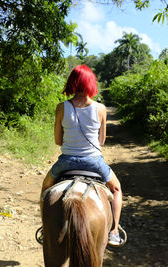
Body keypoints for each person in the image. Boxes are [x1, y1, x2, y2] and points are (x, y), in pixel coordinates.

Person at [40, 65, 123, 247]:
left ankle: (45, 229)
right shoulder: (101, 109)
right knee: (116, 189)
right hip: (94, 162)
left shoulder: (62, 107)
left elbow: (58, 140)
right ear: (91, 84)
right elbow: (101, 141)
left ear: (72, 83)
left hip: (67, 162)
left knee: (46, 188)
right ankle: (114, 231)